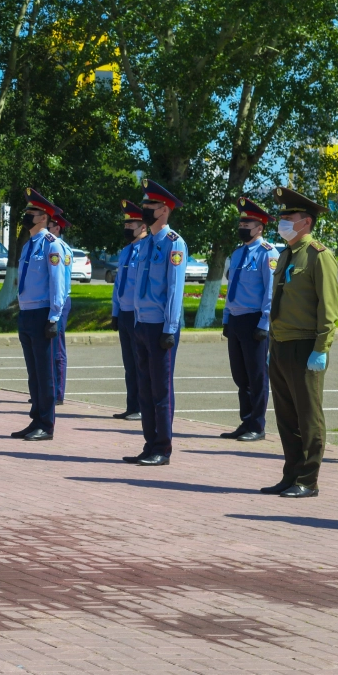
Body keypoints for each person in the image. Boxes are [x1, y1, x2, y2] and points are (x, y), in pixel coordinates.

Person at [259, 187, 338, 498]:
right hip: (279, 344)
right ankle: (290, 474)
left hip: (305, 346)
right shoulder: (285, 255)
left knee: (308, 416)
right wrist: (271, 346)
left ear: (305, 222)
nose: (282, 223)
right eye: (281, 218)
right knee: (286, 416)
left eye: (288, 218)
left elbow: (328, 309)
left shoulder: (319, 255)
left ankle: (309, 479)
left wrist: (321, 349)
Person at [122, 179, 187, 466]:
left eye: (149, 205)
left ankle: (163, 447)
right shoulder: (145, 243)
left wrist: (170, 328)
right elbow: (138, 286)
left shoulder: (174, 243)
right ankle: (150, 444)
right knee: (145, 388)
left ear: (164, 209)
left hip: (161, 325)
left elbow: (174, 289)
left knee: (161, 390)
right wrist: (136, 318)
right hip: (142, 323)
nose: (144, 209)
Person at [220, 196, 279, 443]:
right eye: (241, 222)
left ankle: (258, 425)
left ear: (260, 227)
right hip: (235, 320)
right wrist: (225, 318)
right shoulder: (237, 253)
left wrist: (264, 324)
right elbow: (231, 286)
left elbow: (270, 292)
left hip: (255, 320)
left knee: (257, 376)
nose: (243, 227)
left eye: (248, 223)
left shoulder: (268, 253)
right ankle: (245, 422)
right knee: (240, 375)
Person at [11, 188, 68, 441]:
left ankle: (46, 423)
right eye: (27, 212)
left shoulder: (51, 245)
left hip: (43, 312)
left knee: (45, 373)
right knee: (33, 372)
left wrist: (54, 317)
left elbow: (58, 283)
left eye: (32, 212)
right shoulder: (28, 245)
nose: (28, 216)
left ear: (44, 217)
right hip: (27, 312)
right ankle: (36, 419)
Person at [110, 200, 146, 421]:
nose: (127, 228)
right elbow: (118, 285)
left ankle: (141, 407)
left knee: (140, 362)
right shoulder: (125, 252)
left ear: (143, 227)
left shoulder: (146, 250)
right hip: (124, 313)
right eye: (126, 224)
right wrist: (115, 312)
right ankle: (132, 405)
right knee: (129, 364)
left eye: (131, 224)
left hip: (138, 313)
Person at [48, 210, 73, 405]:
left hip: (60, 302)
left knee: (57, 348)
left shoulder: (62, 249)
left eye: (49, 226)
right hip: (46, 302)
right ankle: (47, 388)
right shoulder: (44, 246)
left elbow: (61, 281)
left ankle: (58, 392)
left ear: (57, 227)